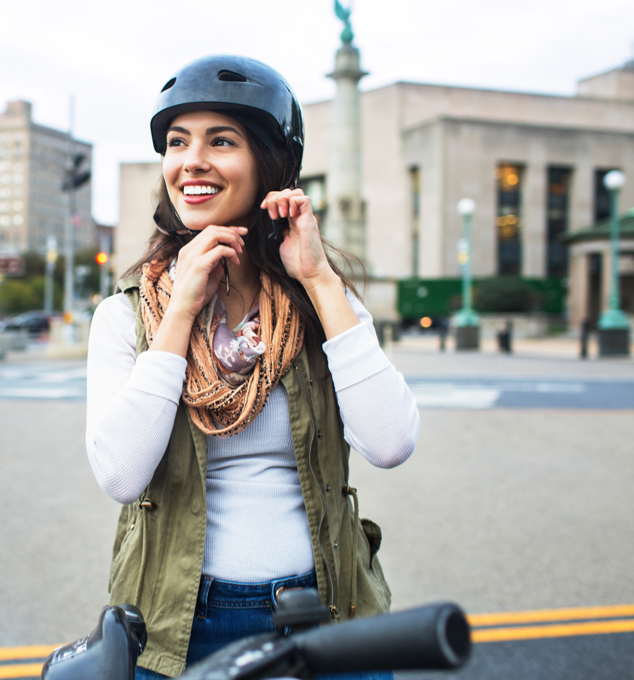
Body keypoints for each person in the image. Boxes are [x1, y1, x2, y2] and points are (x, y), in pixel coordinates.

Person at [85, 56, 420, 680]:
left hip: (328, 614)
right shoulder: (124, 316)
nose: (192, 161)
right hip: (181, 626)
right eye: (178, 142)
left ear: (270, 164)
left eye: (222, 141)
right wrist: (181, 307)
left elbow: (390, 443)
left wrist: (319, 279)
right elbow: (121, 475)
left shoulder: (322, 303)